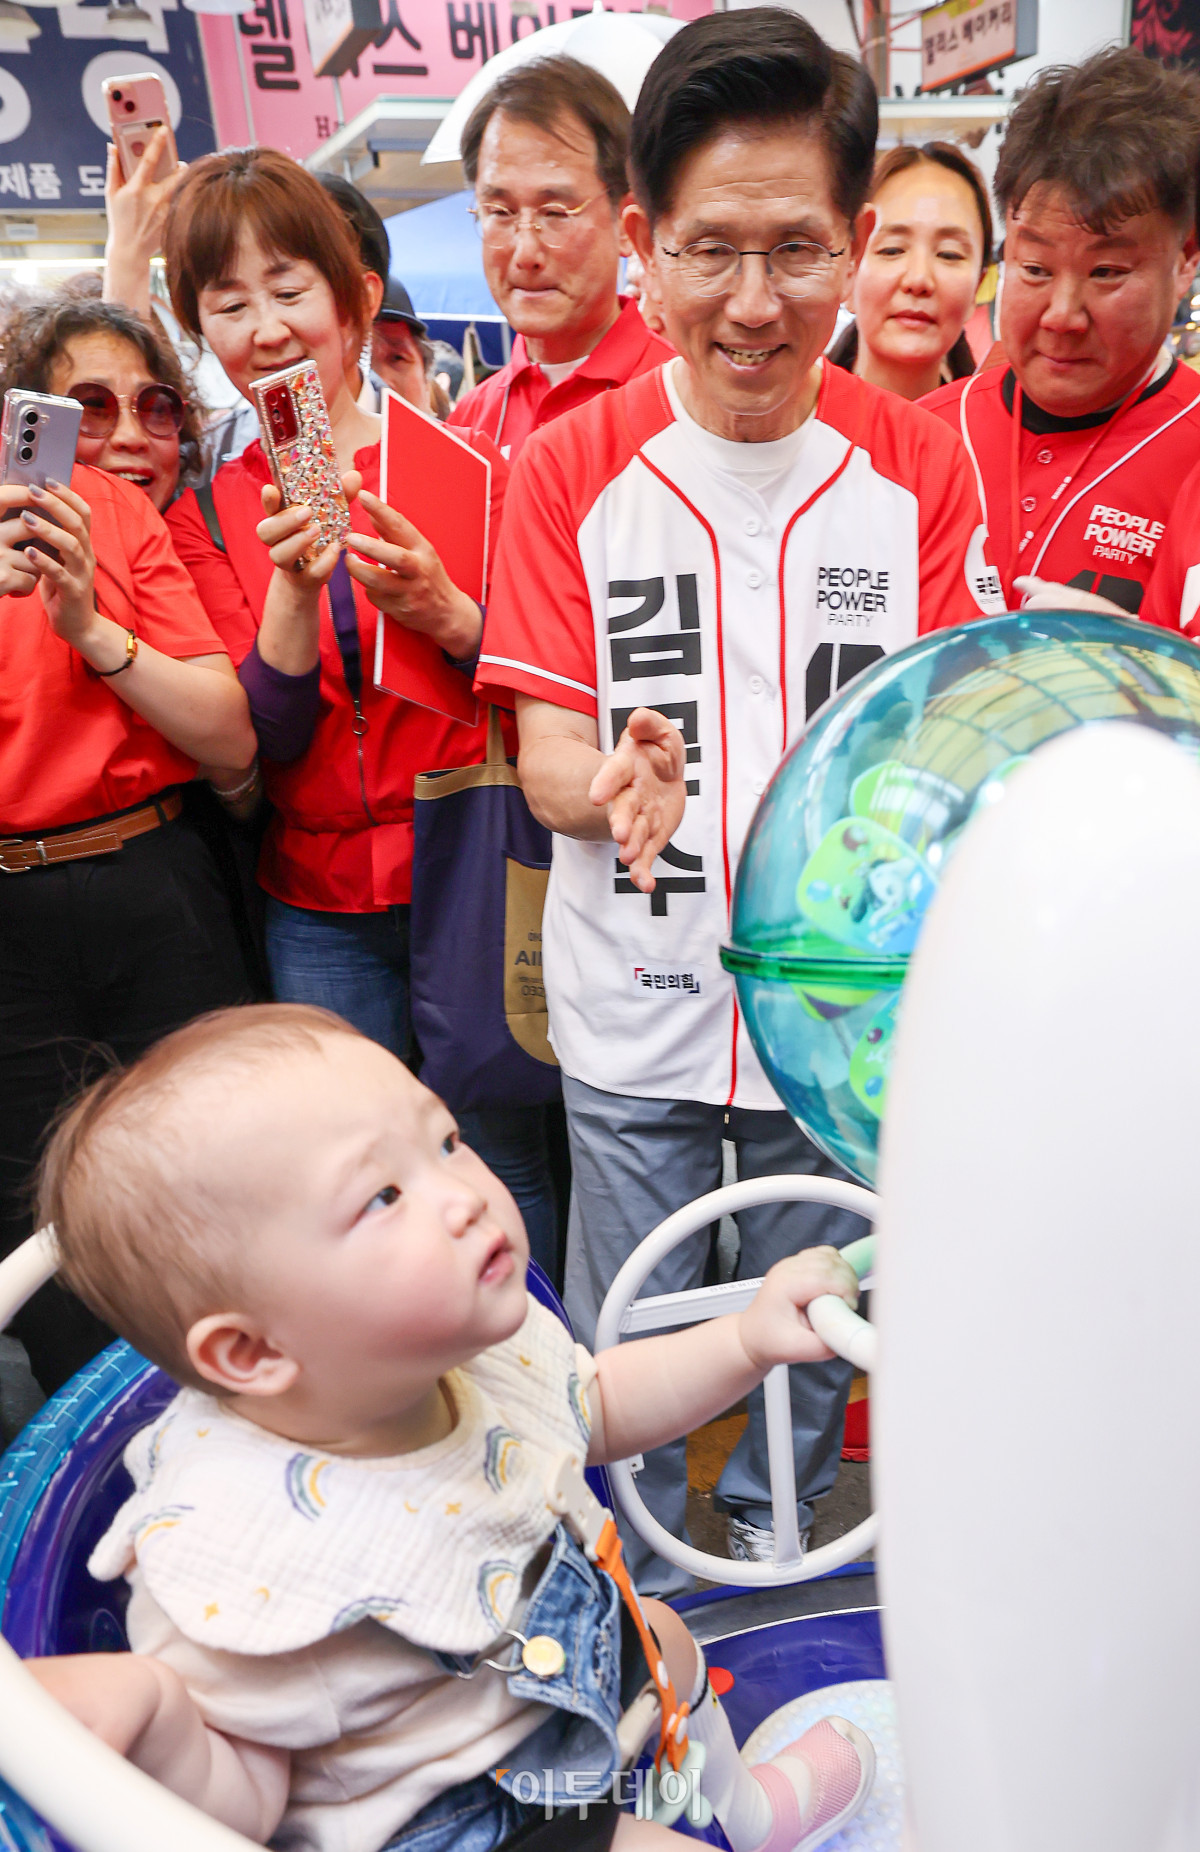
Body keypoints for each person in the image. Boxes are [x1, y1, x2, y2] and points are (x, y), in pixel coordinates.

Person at [475, 9, 1002, 1590]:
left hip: (829, 1008)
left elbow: (947, 738)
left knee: (818, 1312)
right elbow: (545, 755)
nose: (756, 303)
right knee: (627, 1322)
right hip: (631, 995)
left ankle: (790, 1546)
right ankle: (628, 1588)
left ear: (855, 241)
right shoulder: (568, 468)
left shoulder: (922, 467)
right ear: (646, 244)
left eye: (798, 250)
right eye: (711, 250)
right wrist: (605, 789)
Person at [29, 1003, 873, 1852]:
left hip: (553, 1689)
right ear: (252, 1351)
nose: (464, 1197)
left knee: (665, 1638)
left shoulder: (456, 1362)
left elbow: (597, 1405)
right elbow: (244, 1809)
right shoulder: (242, 1558)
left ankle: (752, 1816)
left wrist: (743, 1341)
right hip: (477, 1828)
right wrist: (158, 1714)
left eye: (444, 1142)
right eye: (383, 1196)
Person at [160, 149, 560, 1275]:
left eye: (289, 290)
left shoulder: (468, 467)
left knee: (503, 1152)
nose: (265, 329)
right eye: (227, 305)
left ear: (356, 301)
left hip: (471, 868)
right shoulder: (205, 512)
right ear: (201, 331)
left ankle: (542, 1372)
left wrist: (450, 614)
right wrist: (294, 590)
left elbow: (538, 675)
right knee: (351, 1176)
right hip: (318, 898)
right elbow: (264, 742)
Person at [0, 360, 256, 1393]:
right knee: (34, 1206)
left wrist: (91, 630)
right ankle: (84, 1443)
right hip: (12, 911)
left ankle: (225, 1416)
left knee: (207, 1166)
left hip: (153, 879)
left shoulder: (110, 506)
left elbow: (227, 730)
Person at [922, 47, 1200, 617]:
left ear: (1185, 260)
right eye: (1035, 269)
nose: (1062, 316)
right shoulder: (924, 436)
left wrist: (1147, 654)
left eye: (1106, 272)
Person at [450, 56, 674, 461]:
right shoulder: (467, 423)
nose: (525, 253)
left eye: (555, 213)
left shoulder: (684, 401)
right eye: (500, 212)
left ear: (626, 224)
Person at [828, 142, 992, 398]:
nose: (919, 279)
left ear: (977, 289)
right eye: (892, 250)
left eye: (949, 254)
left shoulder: (984, 423)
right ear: (848, 272)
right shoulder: (788, 416)